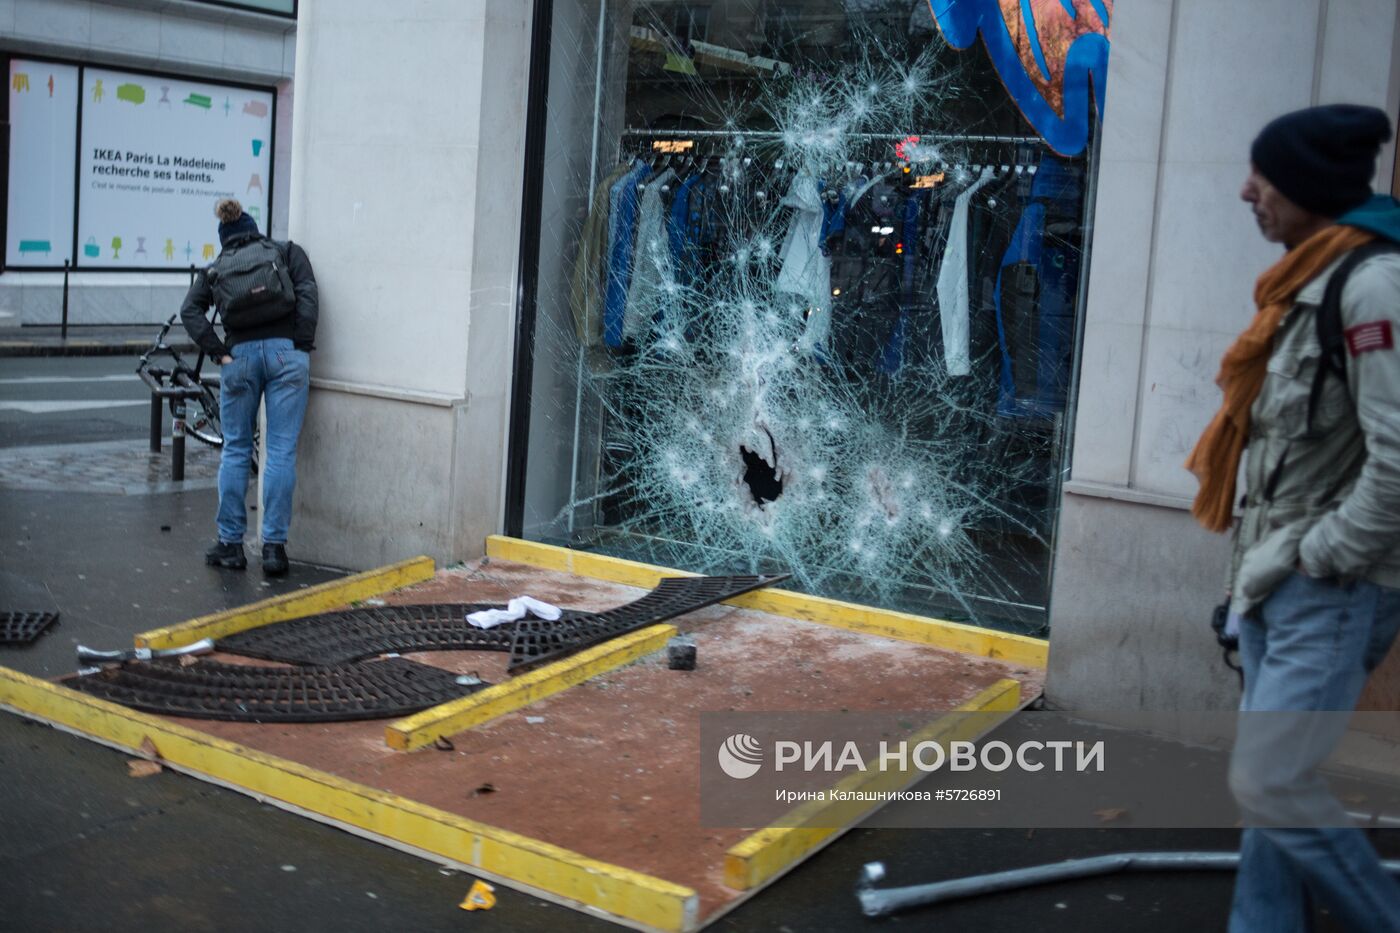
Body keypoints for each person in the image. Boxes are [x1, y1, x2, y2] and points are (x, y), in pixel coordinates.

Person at [1186, 104, 1400, 931]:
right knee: (1267, 789)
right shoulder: (1308, 279)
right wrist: (1255, 581)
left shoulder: (1371, 283)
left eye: (1264, 176)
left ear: (1310, 186)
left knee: (1272, 781)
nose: (1247, 190)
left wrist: (1318, 555)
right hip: (1278, 576)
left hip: (1332, 584)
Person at [180, 198, 318, 576]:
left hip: (238, 357)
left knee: (237, 449)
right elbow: (307, 294)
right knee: (280, 451)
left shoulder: (216, 268)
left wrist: (219, 352)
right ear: (254, 230)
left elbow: (189, 311)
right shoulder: (286, 252)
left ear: (225, 238)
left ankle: (230, 545)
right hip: (286, 354)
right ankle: (273, 549)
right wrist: (300, 345)